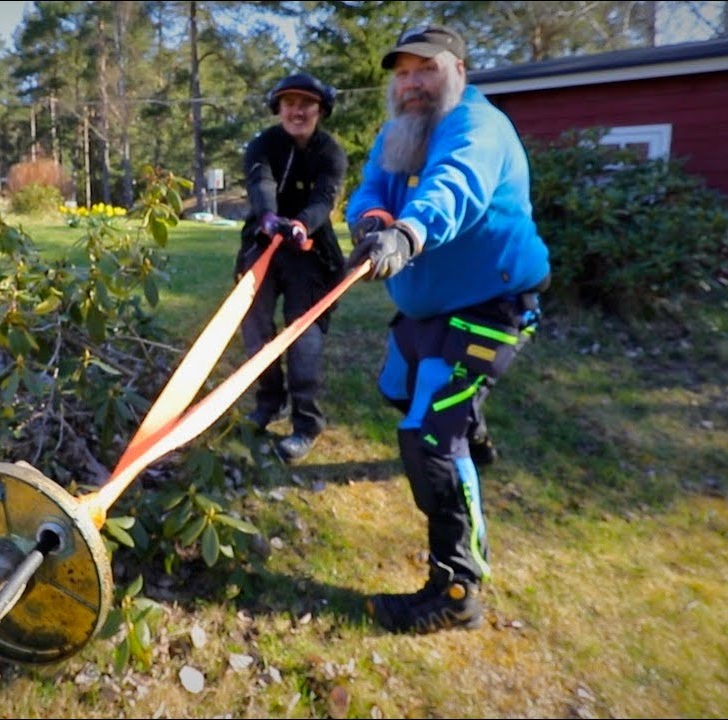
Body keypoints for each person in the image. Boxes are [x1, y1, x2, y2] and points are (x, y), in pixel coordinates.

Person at [343, 25, 551, 634]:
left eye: (424, 69)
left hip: (490, 306)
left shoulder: (476, 127)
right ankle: (474, 435)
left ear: (458, 69)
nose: (411, 84)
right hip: (426, 308)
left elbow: (452, 186)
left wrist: (408, 235)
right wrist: (373, 221)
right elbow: (371, 190)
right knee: (396, 388)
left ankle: (456, 588)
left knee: (430, 438)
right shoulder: (399, 131)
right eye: (402, 73)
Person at [234, 72, 349, 464]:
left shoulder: (331, 152)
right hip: (263, 243)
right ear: (278, 109)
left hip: (311, 251)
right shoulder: (262, 145)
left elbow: (324, 198)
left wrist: (301, 223)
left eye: (306, 104)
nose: (297, 111)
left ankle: (306, 423)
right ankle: (268, 402)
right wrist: (268, 217)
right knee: (256, 329)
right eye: (289, 103)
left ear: (320, 110)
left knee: (305, 338)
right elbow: (260, 184)